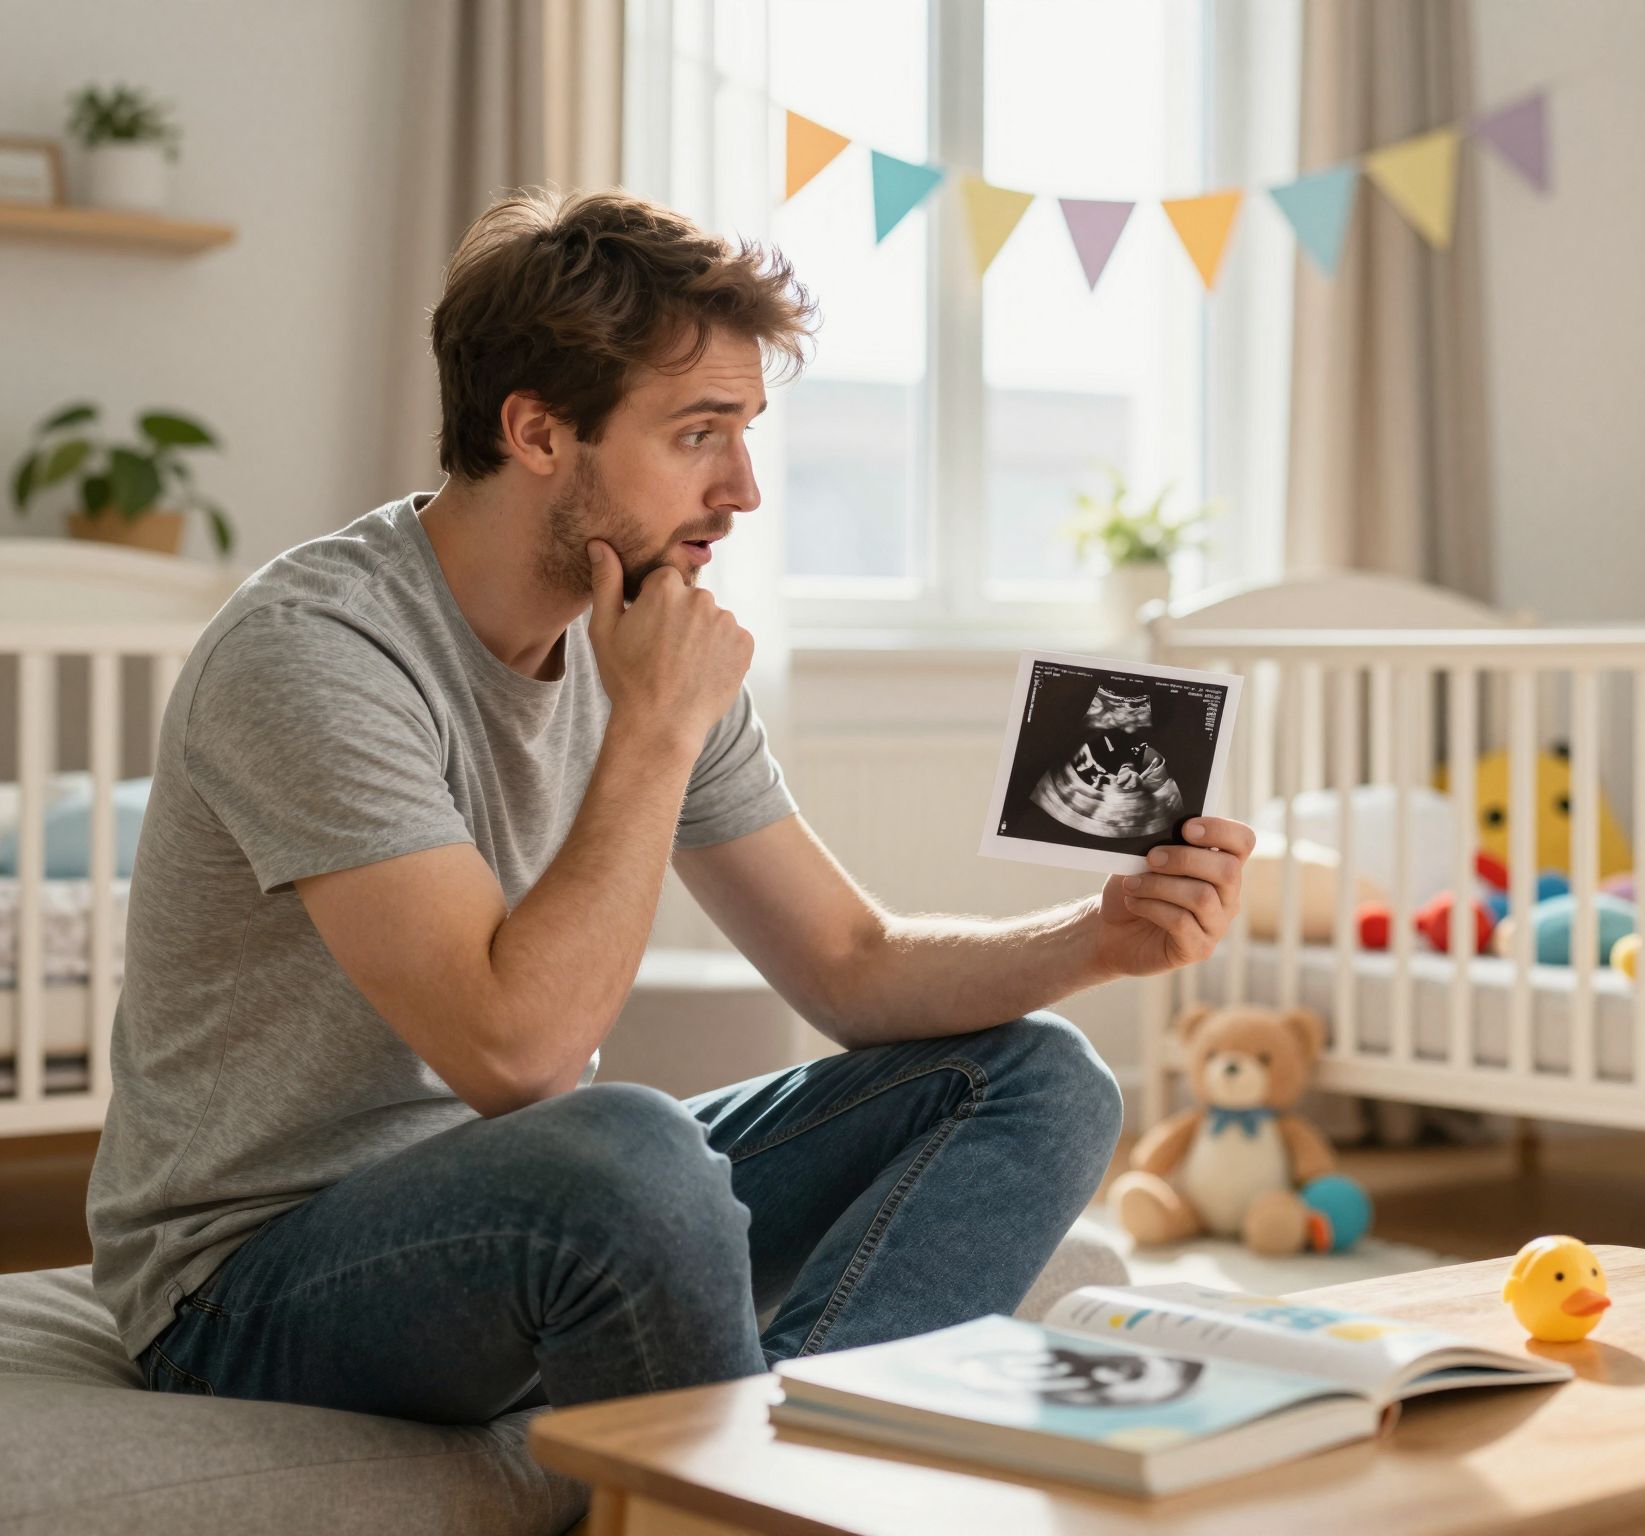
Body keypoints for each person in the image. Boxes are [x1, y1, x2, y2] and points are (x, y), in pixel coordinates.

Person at [84, 187, 1252, 1425]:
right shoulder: (314, 653)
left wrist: (1091, 938)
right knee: (623, 1147)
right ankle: (748, 1488)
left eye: (746, 433)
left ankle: (800, 1458)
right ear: (537, 432)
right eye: (699, 434)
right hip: (248, 1285)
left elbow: (850, 966)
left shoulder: (646, 632)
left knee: (1043, 1077)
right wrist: (650, 726)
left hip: (530, 1207)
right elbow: (514, 1057)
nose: (742, 490)